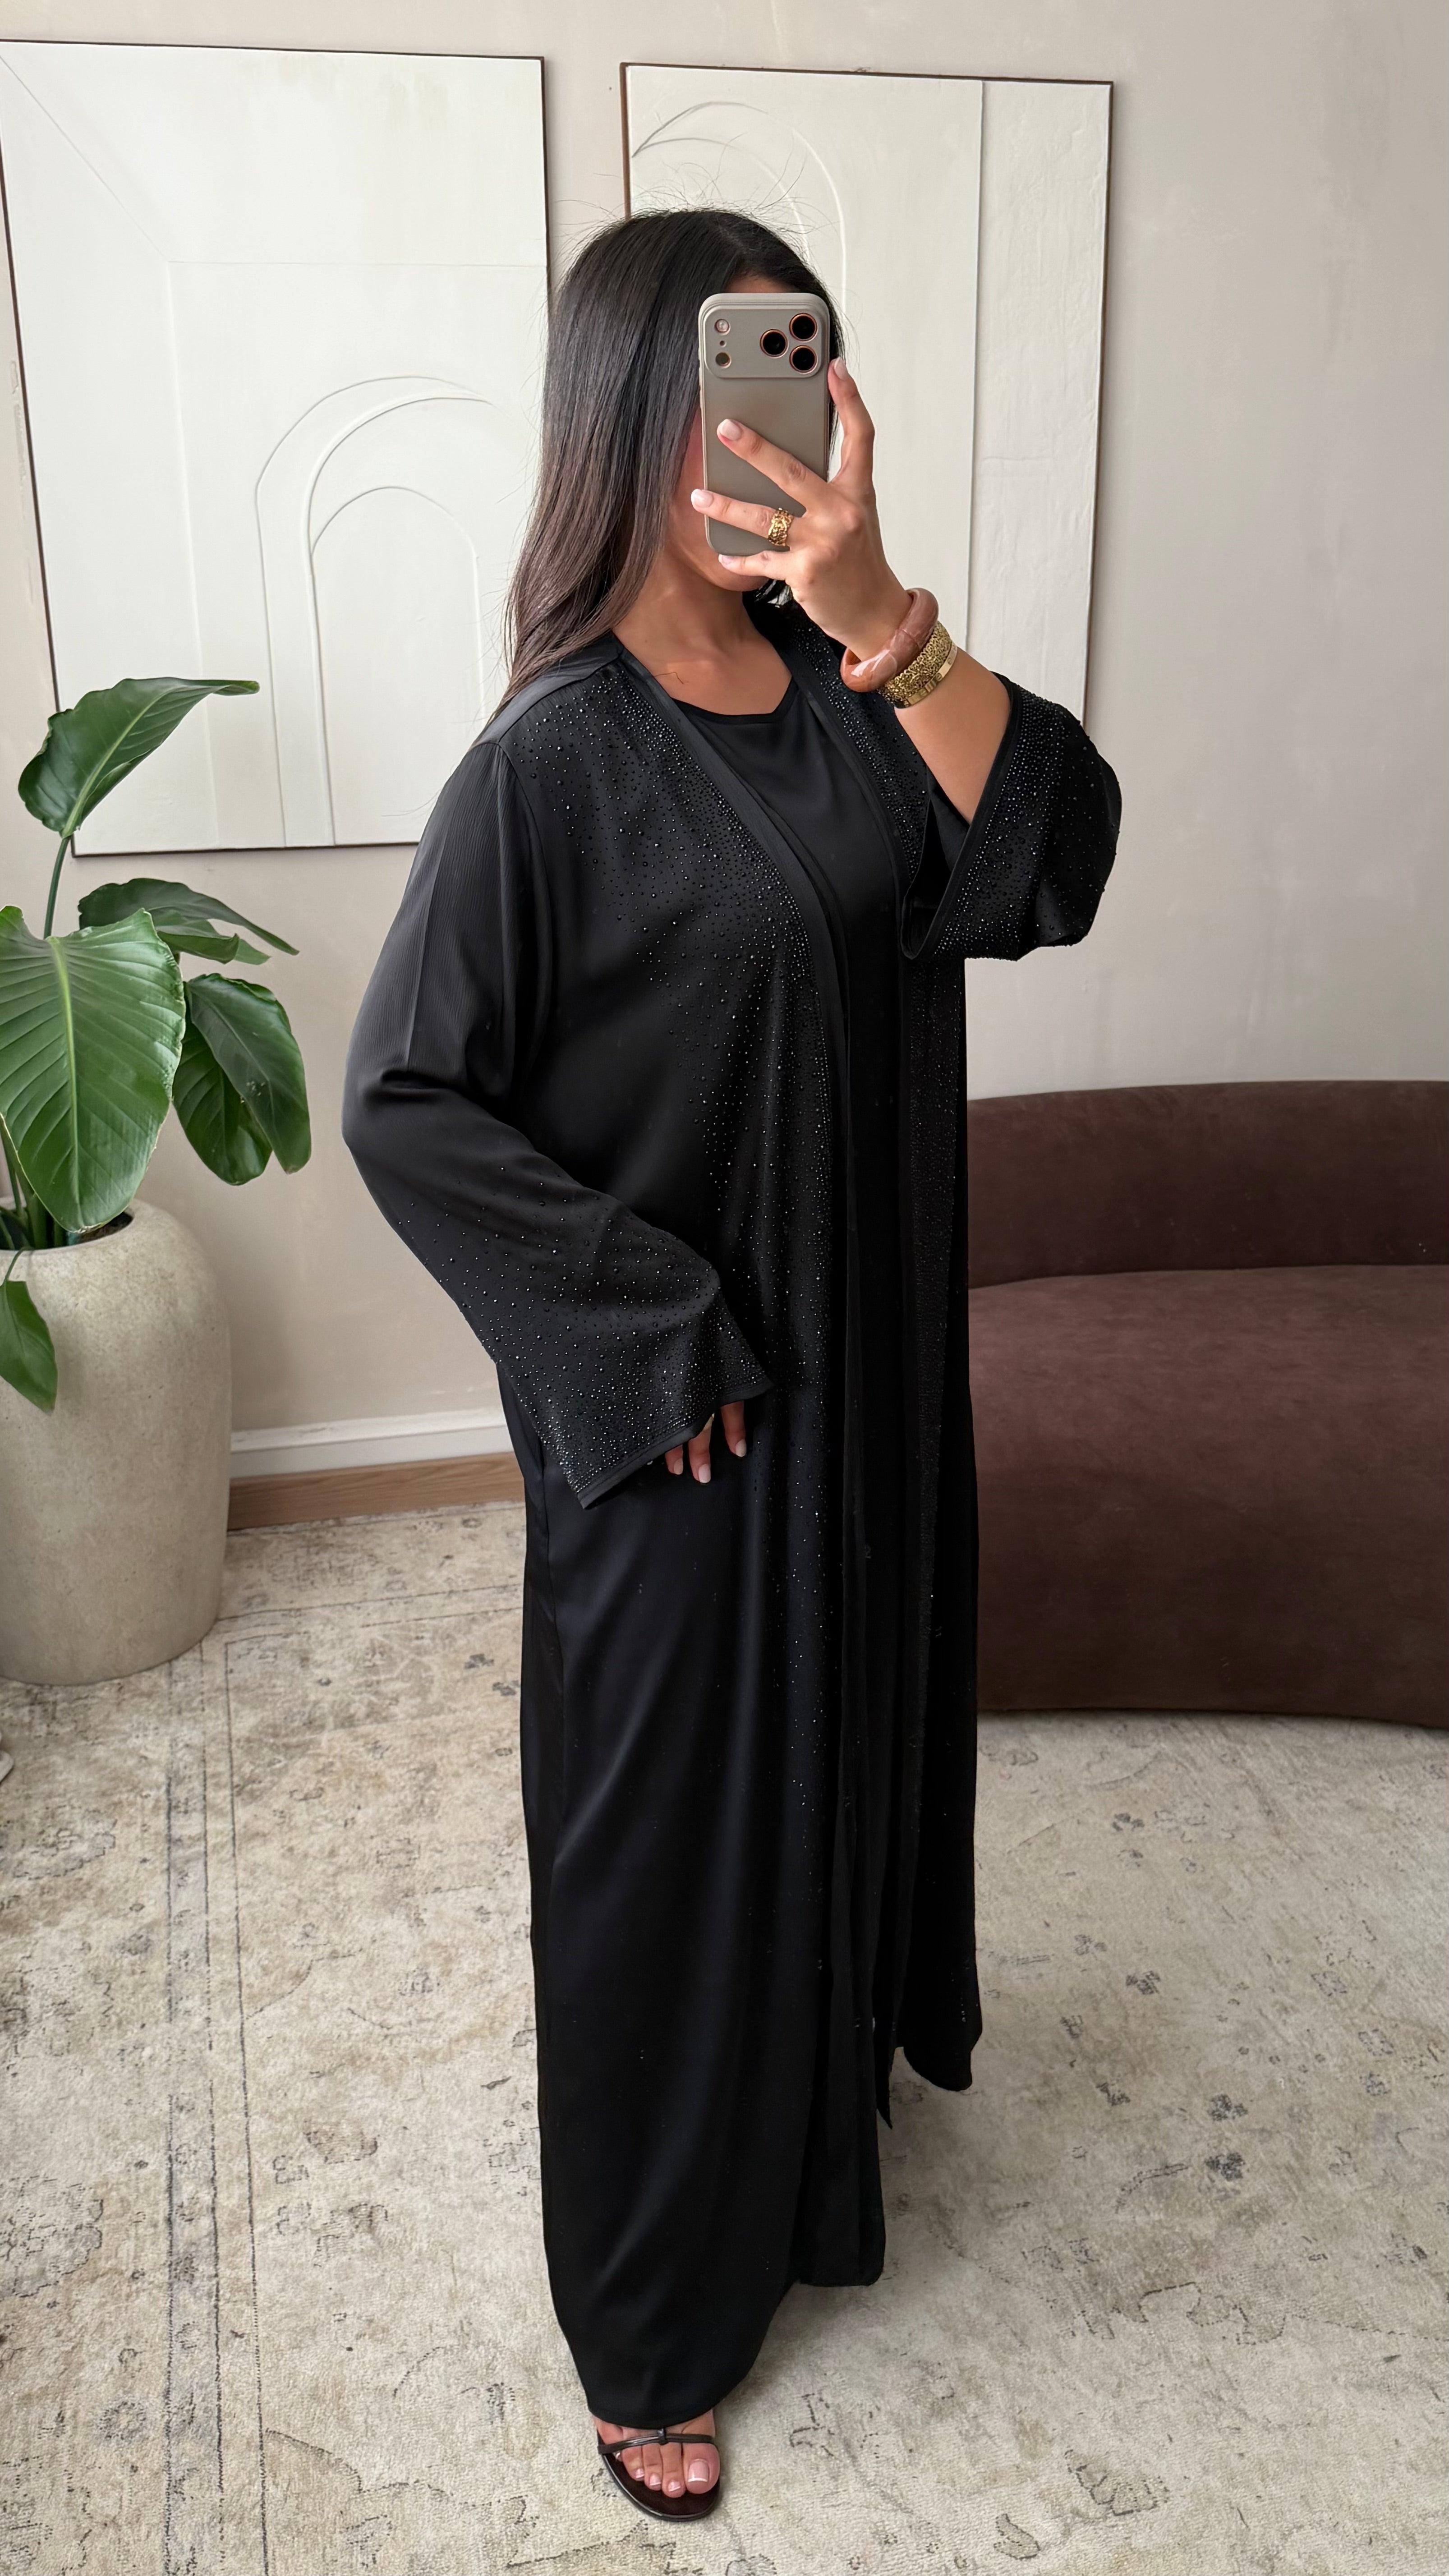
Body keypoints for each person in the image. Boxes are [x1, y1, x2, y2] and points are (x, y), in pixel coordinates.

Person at [341, 207, 1121, 2523]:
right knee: (663, 1866)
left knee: (842, 1763)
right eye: (713, 387)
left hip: (865, 1388)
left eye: (792, 377)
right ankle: (652, 2314)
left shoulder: (855, 697)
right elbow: (406, 1100)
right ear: (621, 416)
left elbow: (1057, 860)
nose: (757, 435)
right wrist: (651, 1332)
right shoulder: (548, 766)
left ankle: (803, 2135)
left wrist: (888, 617)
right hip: (687, 1430)